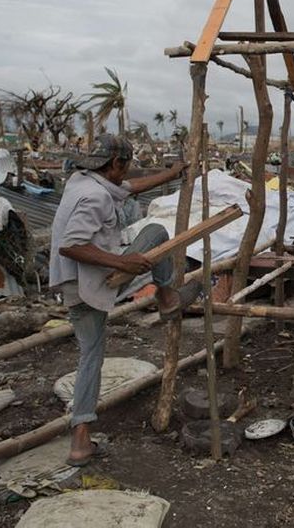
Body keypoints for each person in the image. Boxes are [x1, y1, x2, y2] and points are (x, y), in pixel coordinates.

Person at [49, 134, 192, 466]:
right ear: (115, 163)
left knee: (90, 357)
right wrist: (122, 262)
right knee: (156, 232)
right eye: (125, 165)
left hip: (71, 285)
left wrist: (172, 174)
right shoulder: (95, 198)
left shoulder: (81, 181)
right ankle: (168, 297)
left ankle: (80, 440)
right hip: (95, 277)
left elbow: (130, 188)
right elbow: (70, 244)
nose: (127, 173)